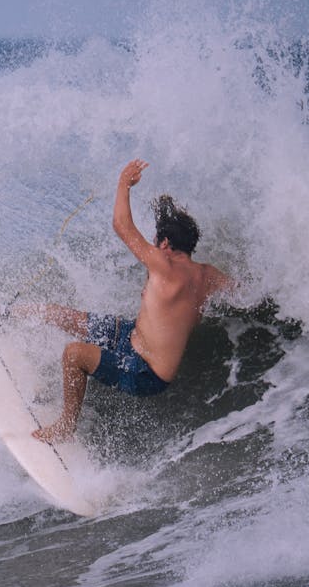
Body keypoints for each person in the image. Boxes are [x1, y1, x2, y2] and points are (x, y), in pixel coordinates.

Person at [30, 159, 232, 443]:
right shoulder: (208, 275)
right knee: (64, 316)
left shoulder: (165, 266)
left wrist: (124, 183)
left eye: (155, 241)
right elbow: (243, 292)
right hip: (131, 337)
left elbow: (121, 225)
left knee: (74, 355)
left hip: (145, 372)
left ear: (164, 245)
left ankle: (65, 427)